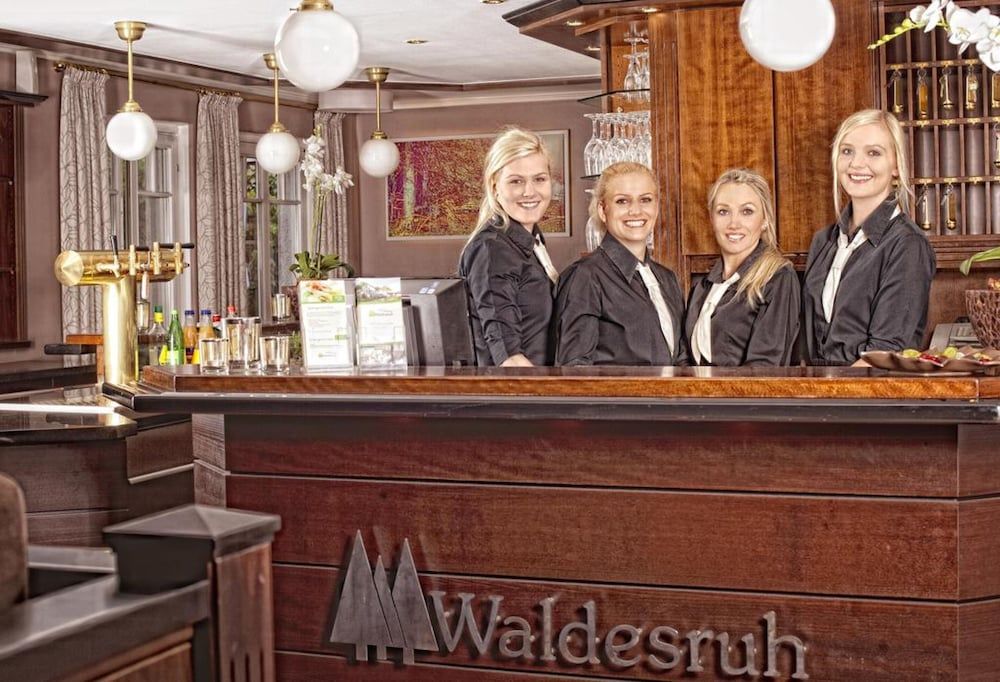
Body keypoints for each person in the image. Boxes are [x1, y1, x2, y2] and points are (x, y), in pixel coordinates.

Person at [802, 109, 936, 365]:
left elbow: (884, 354)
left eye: (873, 153)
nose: (856, 164)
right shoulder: (823, 241)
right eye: (847, 151)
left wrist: (832, 390)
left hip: (869, 389)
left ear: (896, 165)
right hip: (818, 387)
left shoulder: (908, 244)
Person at [555, 162, 685, 366]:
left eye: (645, 200)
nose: (635, 211)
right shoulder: (585, 276)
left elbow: (681, 360)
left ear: (656, 207)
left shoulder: (668, 279)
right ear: (603, 210)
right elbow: (574, 369)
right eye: (622, 201)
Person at [459, 128, 560, 367]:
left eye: (539, 179)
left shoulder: (532, 242)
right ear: (495, 187)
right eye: (516, 181)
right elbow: (508, 356)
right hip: (518, 388)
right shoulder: (492, 249)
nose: (529, 192)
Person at [684, 169, 800, 366]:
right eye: (723, 211)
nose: (734, 223)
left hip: (747, 388)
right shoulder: (702, 288)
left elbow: (766, 366)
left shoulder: (778, 278)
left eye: (747, 211)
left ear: (765, 220)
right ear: (711, 219)